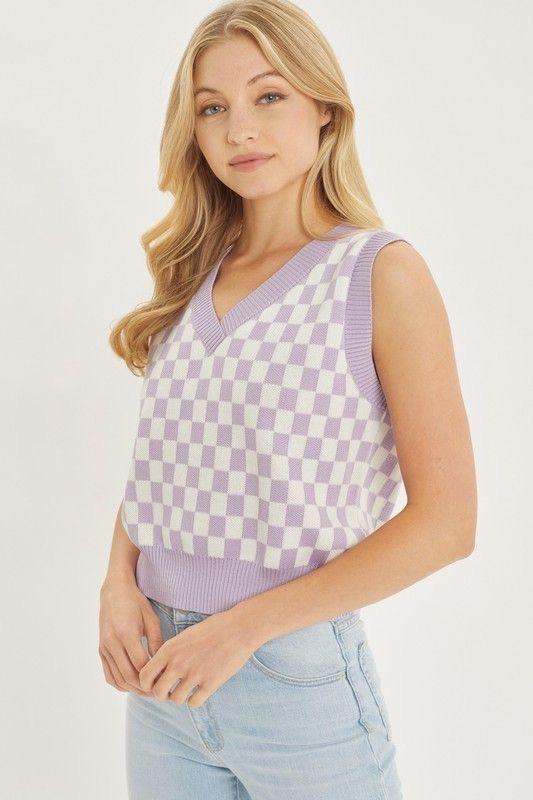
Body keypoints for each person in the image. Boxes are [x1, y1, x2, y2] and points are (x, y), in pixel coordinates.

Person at [99, 1, 477, 798]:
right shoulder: (192, 276)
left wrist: (243, 628)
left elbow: (446, 524)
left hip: (293, 683)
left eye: (268, 96)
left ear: (323, 107)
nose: (239, 129)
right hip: (160, 682)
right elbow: (162, 467)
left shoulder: (377, 273)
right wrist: (117, 581)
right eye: (212, 108)